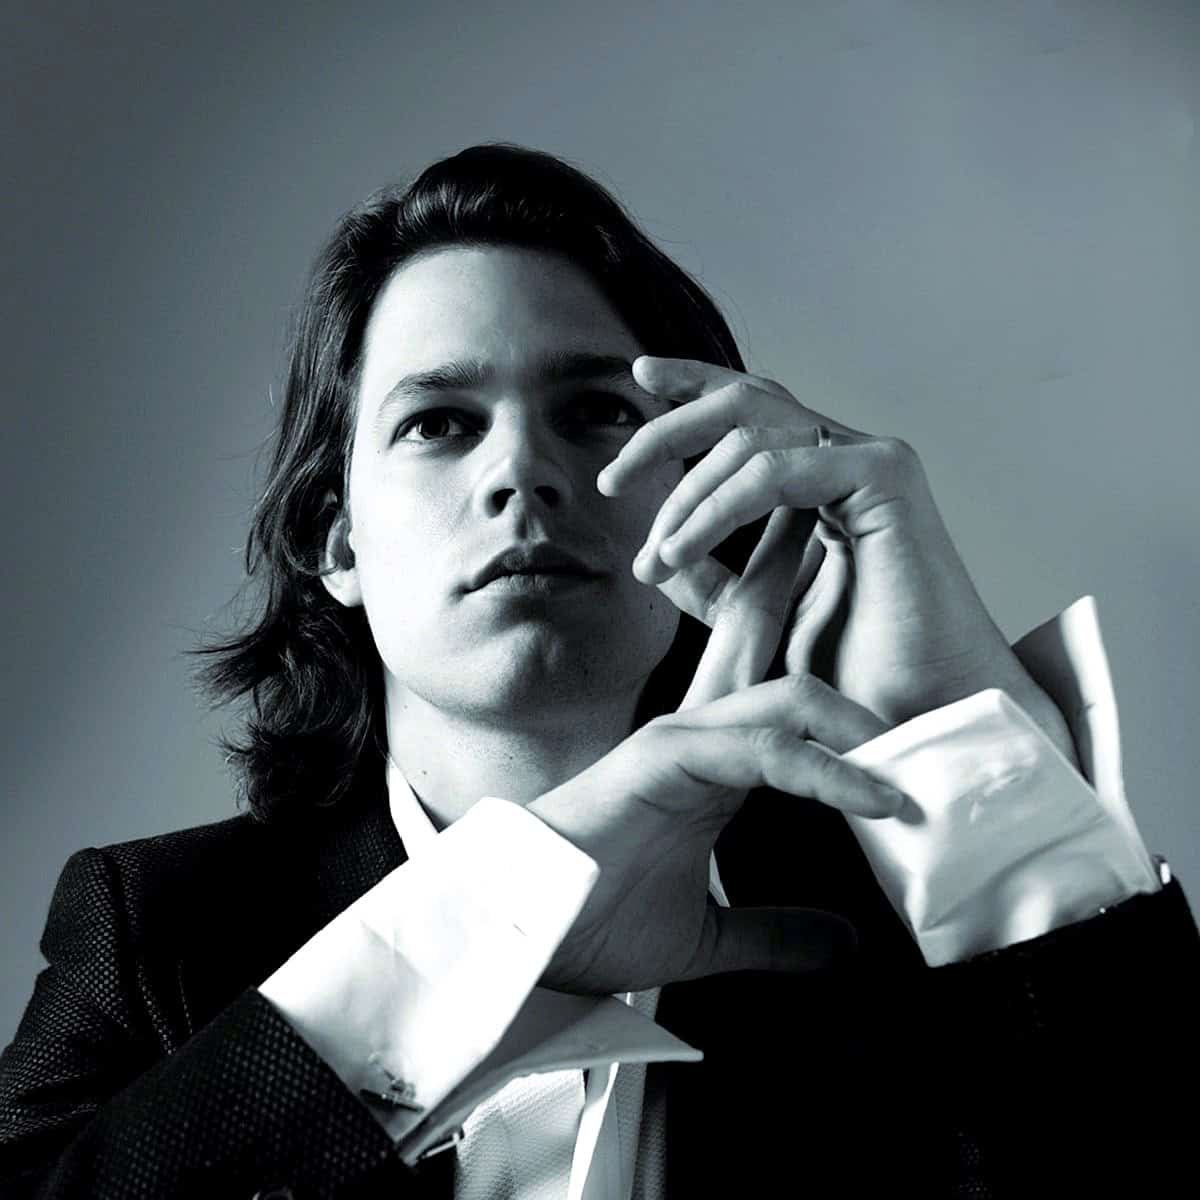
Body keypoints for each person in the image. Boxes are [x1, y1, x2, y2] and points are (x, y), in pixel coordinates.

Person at [1, 143, 1196, 1200]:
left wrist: (959, 753)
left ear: (710, 480)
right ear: (336, 537)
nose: (523, 471)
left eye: (594, 413)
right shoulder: (152, 934)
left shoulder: (886, 939)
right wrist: (481, 944)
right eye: (440, 423)